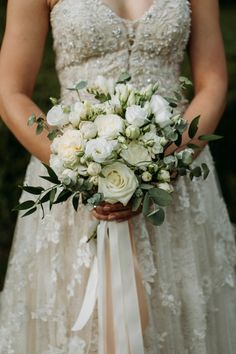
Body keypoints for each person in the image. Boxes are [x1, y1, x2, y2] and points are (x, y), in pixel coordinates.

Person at [0, 0, 236, 353]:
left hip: (176, 184)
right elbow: (10, 92)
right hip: (74, 192)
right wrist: (78, 167)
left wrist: (163, 164)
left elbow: (213, 80)